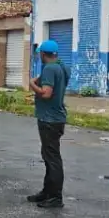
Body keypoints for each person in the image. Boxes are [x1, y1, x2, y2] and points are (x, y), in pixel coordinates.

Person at [26, 39, 70, 209]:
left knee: (52, 158)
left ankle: (56, 197)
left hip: (49, 119)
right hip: (57, 117)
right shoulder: (61, 66)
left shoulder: (50, 68)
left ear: (43, 54)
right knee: (49, 156)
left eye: (40, 55)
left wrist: (32, 85)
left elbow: (46, 93)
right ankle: (47, 192)